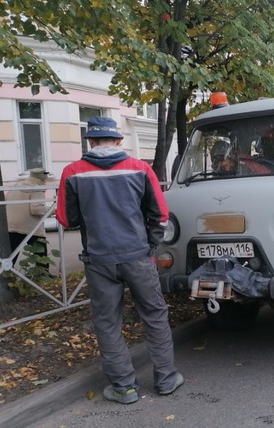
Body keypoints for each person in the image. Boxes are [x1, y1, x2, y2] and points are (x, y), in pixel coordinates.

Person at [55, 116, 183, 404]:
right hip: (137, 256)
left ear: (89, 141)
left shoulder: (73, 172)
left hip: (99, 260)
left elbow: (66, 218)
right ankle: (166, 380)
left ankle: (124, 388)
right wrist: (149, 244)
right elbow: (160, 213)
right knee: (154, 315)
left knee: (107, 322)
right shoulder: (140, 168)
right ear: (118, 140)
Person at [6, 168, 50, 270]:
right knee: (40, 253)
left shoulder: (16, 186)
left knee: (10, 256)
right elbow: (37, 209)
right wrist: (54, 210)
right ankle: (42, 276)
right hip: (31, 227)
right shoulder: (37, 188)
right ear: (43, 179)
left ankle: (6, 276)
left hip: (12, 225)